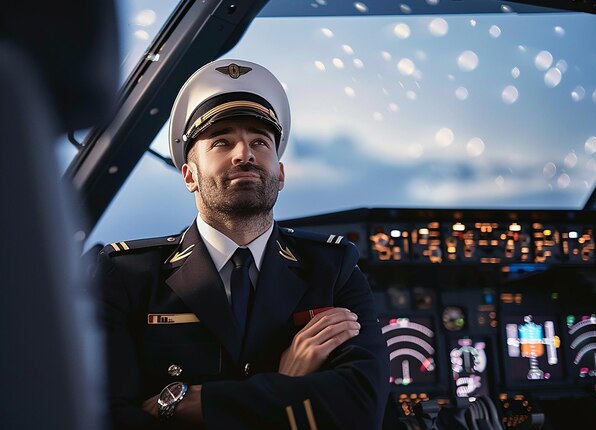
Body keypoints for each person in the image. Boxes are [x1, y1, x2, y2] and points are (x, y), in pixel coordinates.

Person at [95, 58, 390, 430]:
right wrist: (286, 387)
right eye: (222, 142)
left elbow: (362, 406)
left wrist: (194, 405)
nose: (244, 154)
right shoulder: (126, 275)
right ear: (189, 175)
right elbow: (107, 417)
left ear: (280, 174)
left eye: (260, 142)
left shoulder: (333, 268)